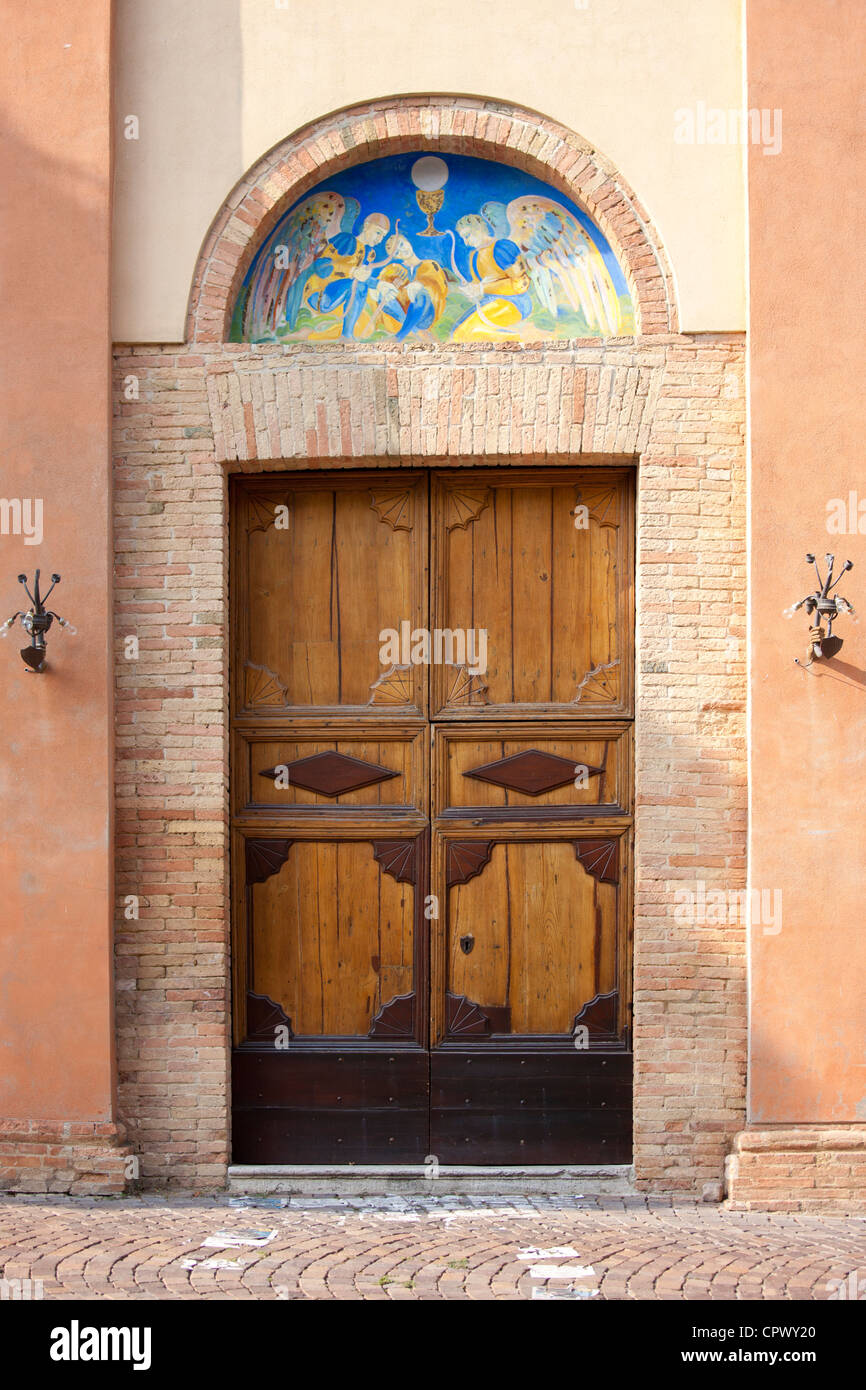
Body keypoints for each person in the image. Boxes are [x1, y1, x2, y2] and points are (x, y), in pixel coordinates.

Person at [451, 213, 532, 342]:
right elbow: (479, 285)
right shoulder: (474, 256)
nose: (466, 243)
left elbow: (521, 283)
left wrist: (482, 289)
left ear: (479, 228)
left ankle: (525, 339)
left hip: (515, 302)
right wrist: (471, 290)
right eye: (463, 239)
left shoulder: (502, 247)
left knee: (466, 334)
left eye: (467, 236)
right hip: (490, 302)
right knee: (455, 332)